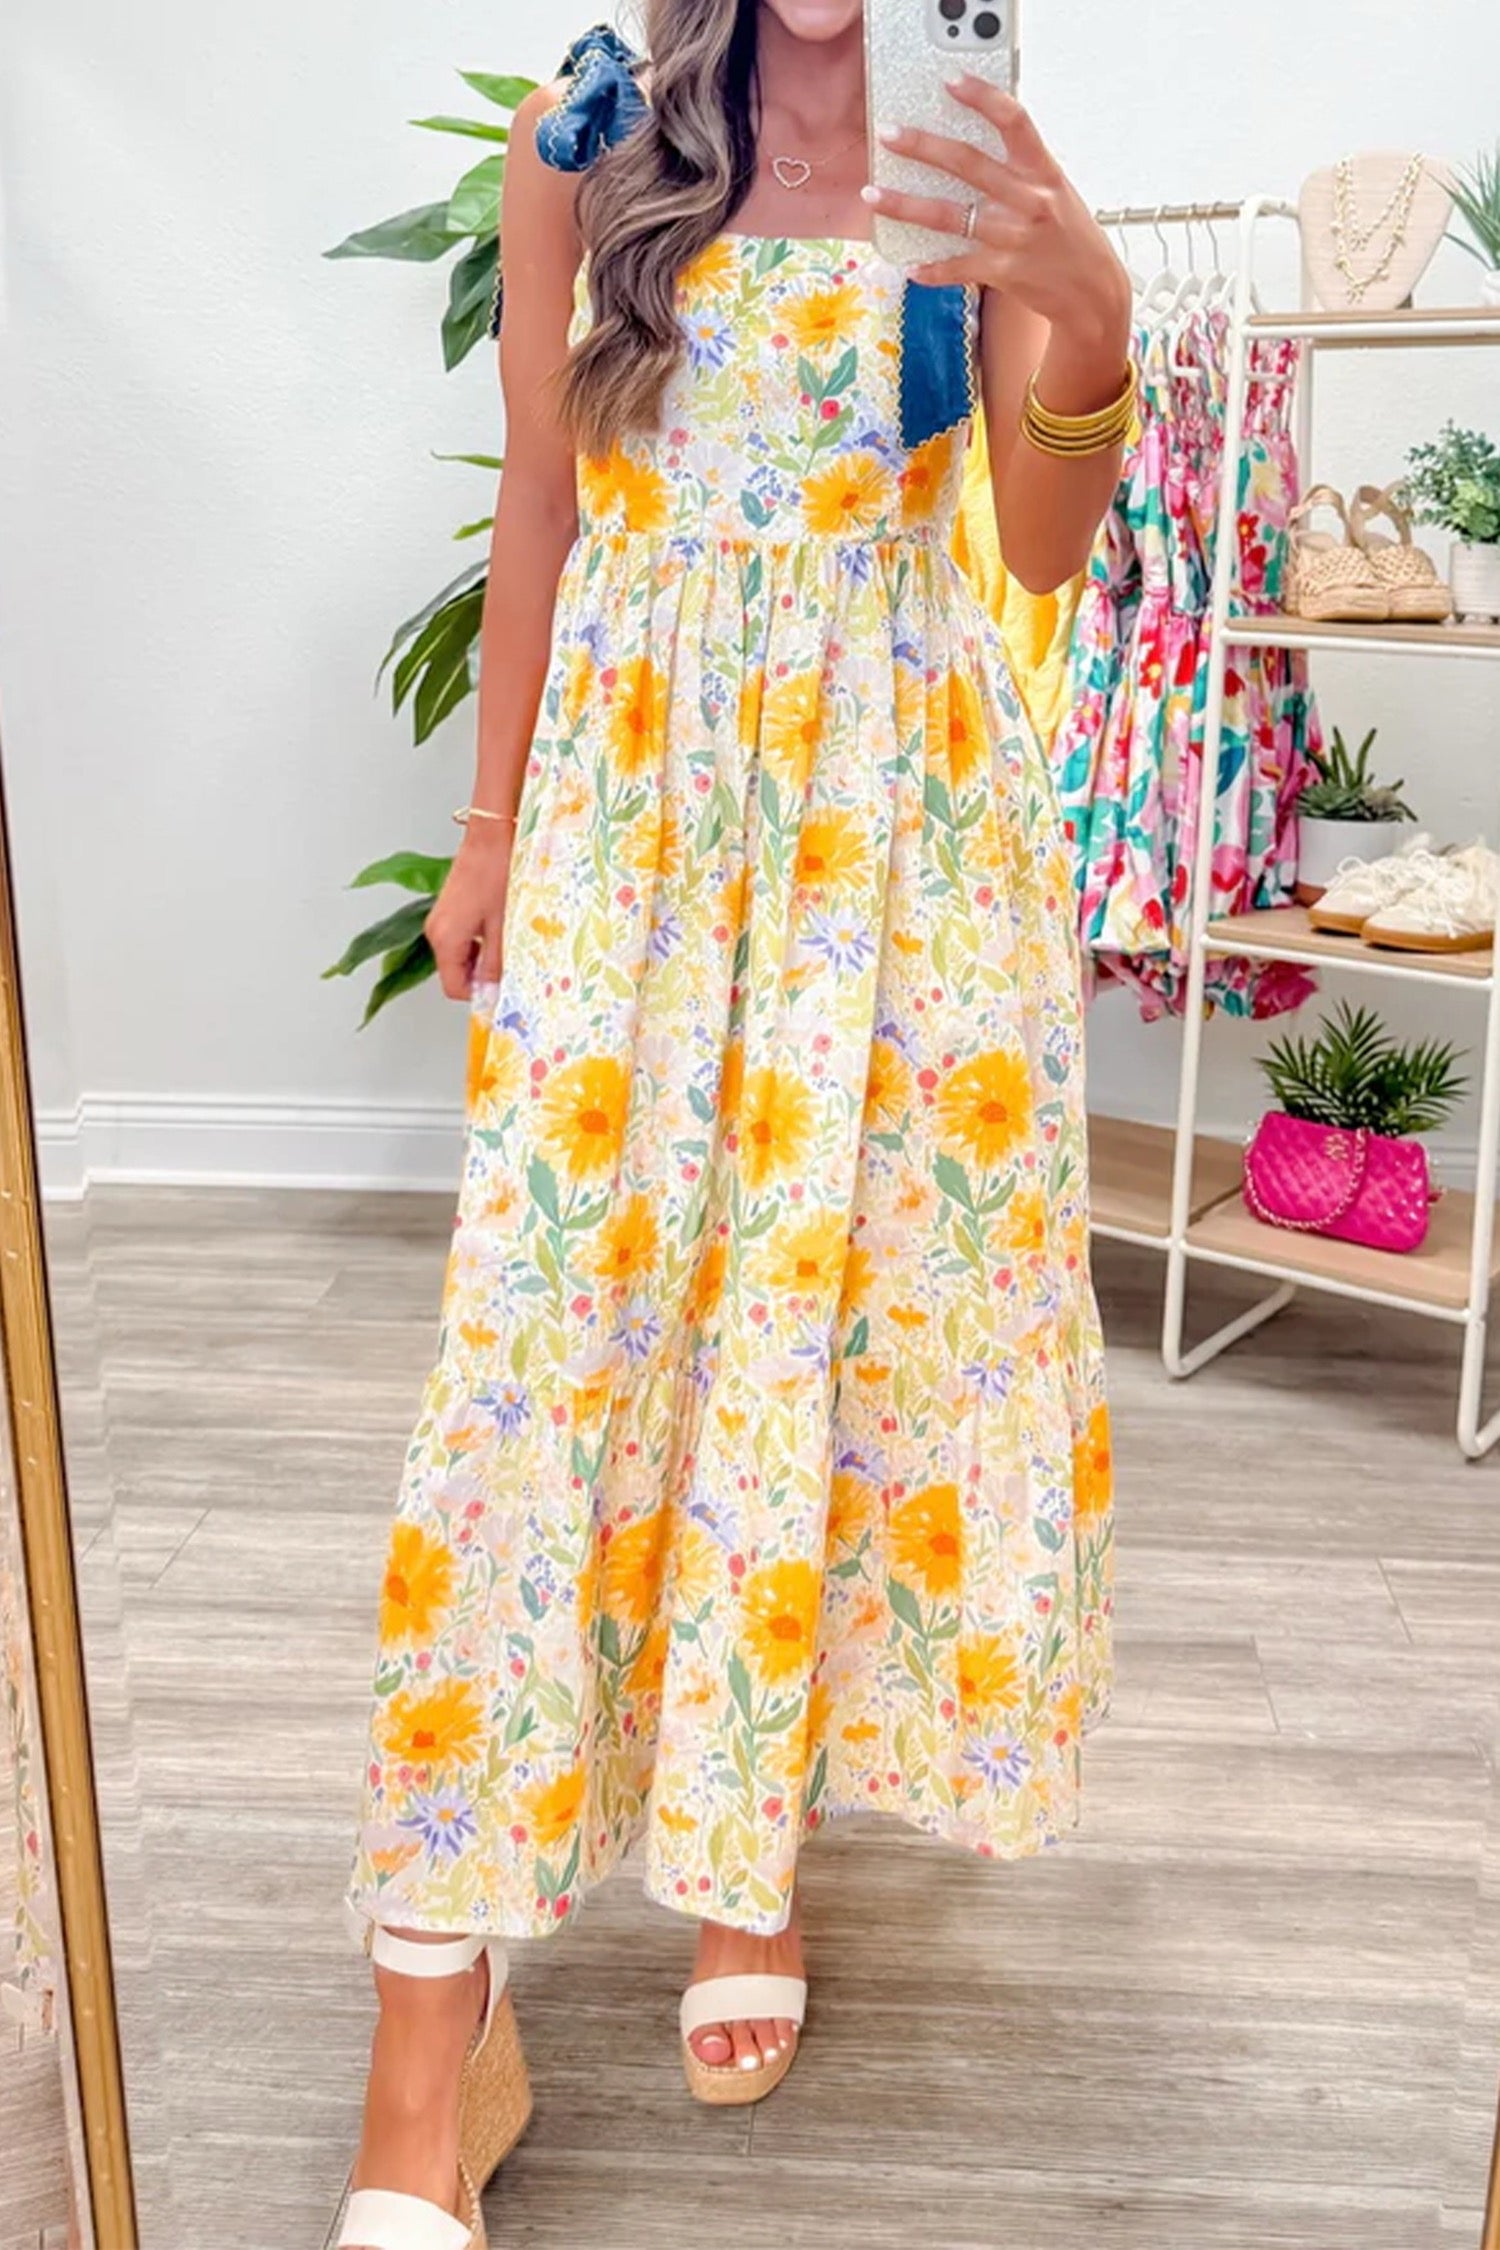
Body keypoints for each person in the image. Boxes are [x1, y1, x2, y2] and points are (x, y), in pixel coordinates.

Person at [338, 4, 1128, 2243]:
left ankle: (743, 1849)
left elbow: (1035, 552)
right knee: (528, 1370)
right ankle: (426, 2036)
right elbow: (543, 497)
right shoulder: (587, 135)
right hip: (638, 815)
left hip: (903, 830)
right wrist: (488, 825)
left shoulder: (974, 154)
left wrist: (1087, 307)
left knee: (826, 1334)